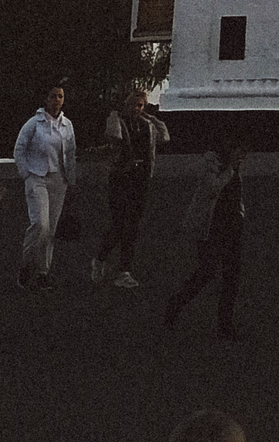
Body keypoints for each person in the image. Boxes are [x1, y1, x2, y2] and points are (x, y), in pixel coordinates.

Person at [163, 143, 244, 339]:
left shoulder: (234, 166)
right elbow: (213, 187)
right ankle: (175, 304)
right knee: (206, 273)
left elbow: (236, 194)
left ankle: (225, 326)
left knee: (231, 278)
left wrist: (241, 214)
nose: (242, 155)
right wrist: (231, 170)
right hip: (210, 228)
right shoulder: (210, 163)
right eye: (238, 150)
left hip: (232, 227)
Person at [90, 81, 165, 289]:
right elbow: (114, 135)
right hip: (121, 177)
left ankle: (124, 270)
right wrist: (116, 115)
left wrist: (149, 117)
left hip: (140, 178)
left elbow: (164, 135)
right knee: (118, 224)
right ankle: (100, 258)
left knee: (132, 226)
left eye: (141, 105)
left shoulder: (145, 124)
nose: (137, 109)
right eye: (134, 104)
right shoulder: (118, 120)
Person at [13, 79, 77, 288]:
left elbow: (70, 153)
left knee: (51, 229)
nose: (57, 100)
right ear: (46, 99)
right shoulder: (34, 123)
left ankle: (43, 272)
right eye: (53, 96)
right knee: (40, 224)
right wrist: (26, 174)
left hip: (59, 180)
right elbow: (20, 149)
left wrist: (71, 179)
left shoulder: (67, 125)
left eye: (60, 96)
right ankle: (26, 263)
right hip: (37, 177)